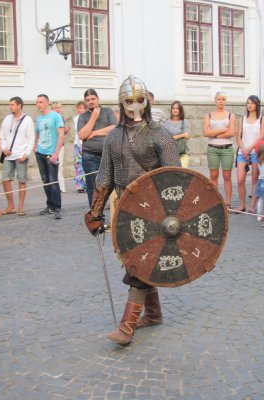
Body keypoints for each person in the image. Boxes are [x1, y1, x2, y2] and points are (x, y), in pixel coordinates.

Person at [85, 75, 181, 346]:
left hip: (156, 210)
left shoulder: (160, 134)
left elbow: (174, 176)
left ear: (147, 101)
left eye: (140, 100)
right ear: (121, 103)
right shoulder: (113, 137)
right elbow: (104, 178)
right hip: (123, 205)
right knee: (134, 259)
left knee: (141, 262)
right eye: (129, 101)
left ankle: (126, 327)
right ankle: (153, 313)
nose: (135, 106)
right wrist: (94, 213)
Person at [78, 89, 117, 207]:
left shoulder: (108, 111)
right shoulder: (83, 117)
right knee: (94, 188)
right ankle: (96, 217)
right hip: (90, 157)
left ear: (98, 99)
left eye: (93, 99)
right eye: (88, 100)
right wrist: (93, 117)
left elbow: (115, 128)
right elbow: (82, 135)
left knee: (112, 185)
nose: (91, 102)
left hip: (108, 155)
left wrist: (94, 133)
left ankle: (115, 214)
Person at [0, 96, 35, 216]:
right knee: (5, 180)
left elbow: (31, 138)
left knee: (22, 180)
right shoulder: (7, 119)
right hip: (8, 155)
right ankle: (11, 206)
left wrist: (26, 154)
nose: (10, 106)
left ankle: (20, 207)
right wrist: (4, 149)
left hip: (21, 155)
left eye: (12, 104)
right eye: (10, 104)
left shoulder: (28, 120)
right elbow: (2, 135)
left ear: (19, 105)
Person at [203, 92, 236, 208]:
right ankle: (215, 201)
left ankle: (228, 203)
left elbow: (232, 132)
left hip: (227, 148)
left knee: (227, 176)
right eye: (219, 99)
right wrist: (223, 130)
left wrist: (215, 134)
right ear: (215, 101)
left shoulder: (230, 115)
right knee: (213, 175)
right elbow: (206, 133)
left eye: (223, 99)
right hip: (213, 148)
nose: (221, 101)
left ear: (225, 101)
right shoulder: (209, 115)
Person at [35, 94, 65, 219]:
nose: (38, 104)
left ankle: (57, 207)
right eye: (37, 102)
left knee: (53, 181)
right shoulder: (39, 119)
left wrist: (56, 153)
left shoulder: (55, 116)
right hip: (40, 153)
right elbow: (37, 133)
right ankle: (50, 206)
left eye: (41, 102)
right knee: (45, 181)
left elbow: (61, 134)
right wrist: (35, 147)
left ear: (47, 103)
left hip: (51, 153)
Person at [236, 95, 264, 213]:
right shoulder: (242, 119)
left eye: (252, 103)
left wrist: (249, 149)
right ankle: (241, 204)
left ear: (257, 105)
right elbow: (238, 137)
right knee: (240, 179)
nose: (250, 105)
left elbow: (261, 136)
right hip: (242, 152)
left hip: (255, 152)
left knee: (254, 179)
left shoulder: (262, 118)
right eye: (248, 103)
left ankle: (252, 206)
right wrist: (244, 149)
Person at [163, 100, 191, 168]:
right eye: (173, 108)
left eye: (177, 108)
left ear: (180, 110)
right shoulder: (166, 123)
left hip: (183, 153)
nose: (175, 110)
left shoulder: (186, 122)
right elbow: (166, 138)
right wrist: (182, 135)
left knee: (182, 171)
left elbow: (187, 136)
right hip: (169, 153)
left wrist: (174, 137)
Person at [51, 102, 70, 193]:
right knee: (52, 165)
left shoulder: (61, 118)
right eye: (55, 108)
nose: (57, 110)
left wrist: (65, 130)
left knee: (60, 165)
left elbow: (62, 132)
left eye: (58, 108)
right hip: (51, 145)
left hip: (60, 145)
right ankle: (53, 186)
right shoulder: (50, 118)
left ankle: (61, 186)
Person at [73, 101, 87, 193]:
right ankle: (79, 184)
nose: (79, 110)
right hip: (77, 144)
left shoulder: (87, 118)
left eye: (81, 108)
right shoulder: (75, 118)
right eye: (78, 108)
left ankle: (84, 184)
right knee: (78, 164)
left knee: (85, 165)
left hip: (85, 144)